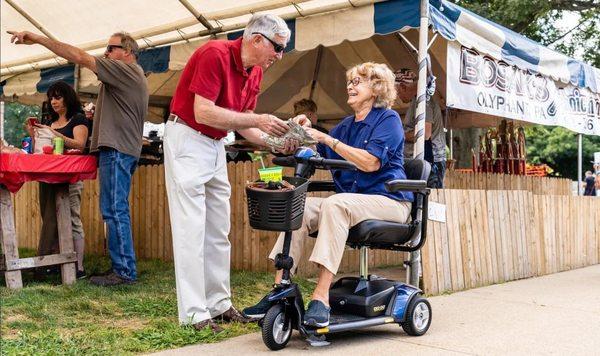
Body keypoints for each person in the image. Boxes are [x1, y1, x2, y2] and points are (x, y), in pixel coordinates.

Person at [243, 62, 413, 327]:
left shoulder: (388, 120)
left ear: (376, 87)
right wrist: (301, 129)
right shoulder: (346, 126)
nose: (350, 85)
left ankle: (321, 297)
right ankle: (280, 289)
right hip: (352, 203)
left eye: (358, 81)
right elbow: (318, 151)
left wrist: (326, 139)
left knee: (336, 203)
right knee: (299, 205)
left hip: (390, 201)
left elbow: (370, 163)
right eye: (350, 81)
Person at [164, 14, 300, 333]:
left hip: (214, 144)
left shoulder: (254, 72)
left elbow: (246, 120)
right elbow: (203, 111)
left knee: (218, 229)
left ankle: (220, 304)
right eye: (277, 48)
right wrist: (258, 121)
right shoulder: (215, 53)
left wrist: (275, 144)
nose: (279, 56)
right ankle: (195, 313)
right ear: (256, 40)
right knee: (191, 229)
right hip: (187, 137)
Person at [9, 30, 149, 286]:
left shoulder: (126, 70)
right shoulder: (129, 77)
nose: (106, 53)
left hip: (118, 150)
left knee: (115, 210)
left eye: (111, 48)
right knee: (113, 209)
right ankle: (121, 268)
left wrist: (39, 39)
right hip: (119, 149)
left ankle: (125, 272)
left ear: (127, 52)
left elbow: (79, 56)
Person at [26, 81, 89, 279]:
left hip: (70, 178)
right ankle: (55, 262)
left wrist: (54, 134)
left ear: (67, 98)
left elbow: (80, 145)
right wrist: (34, 135)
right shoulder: (50, 121)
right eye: (51, 97)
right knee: (50, 219)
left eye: (58, 97)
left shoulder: (78, 119)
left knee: (72, 219)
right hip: (48, 176)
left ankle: (78, 267)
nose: (53, 101)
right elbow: (43, 150)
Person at [394, 68, 446, 188]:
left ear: (403, 86)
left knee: (430, 199)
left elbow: (425, 134)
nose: (398, 96)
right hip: (421, 160)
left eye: (397, 92)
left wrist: (399, 135)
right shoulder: (416, 102)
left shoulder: (424, 103)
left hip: (431, 161)